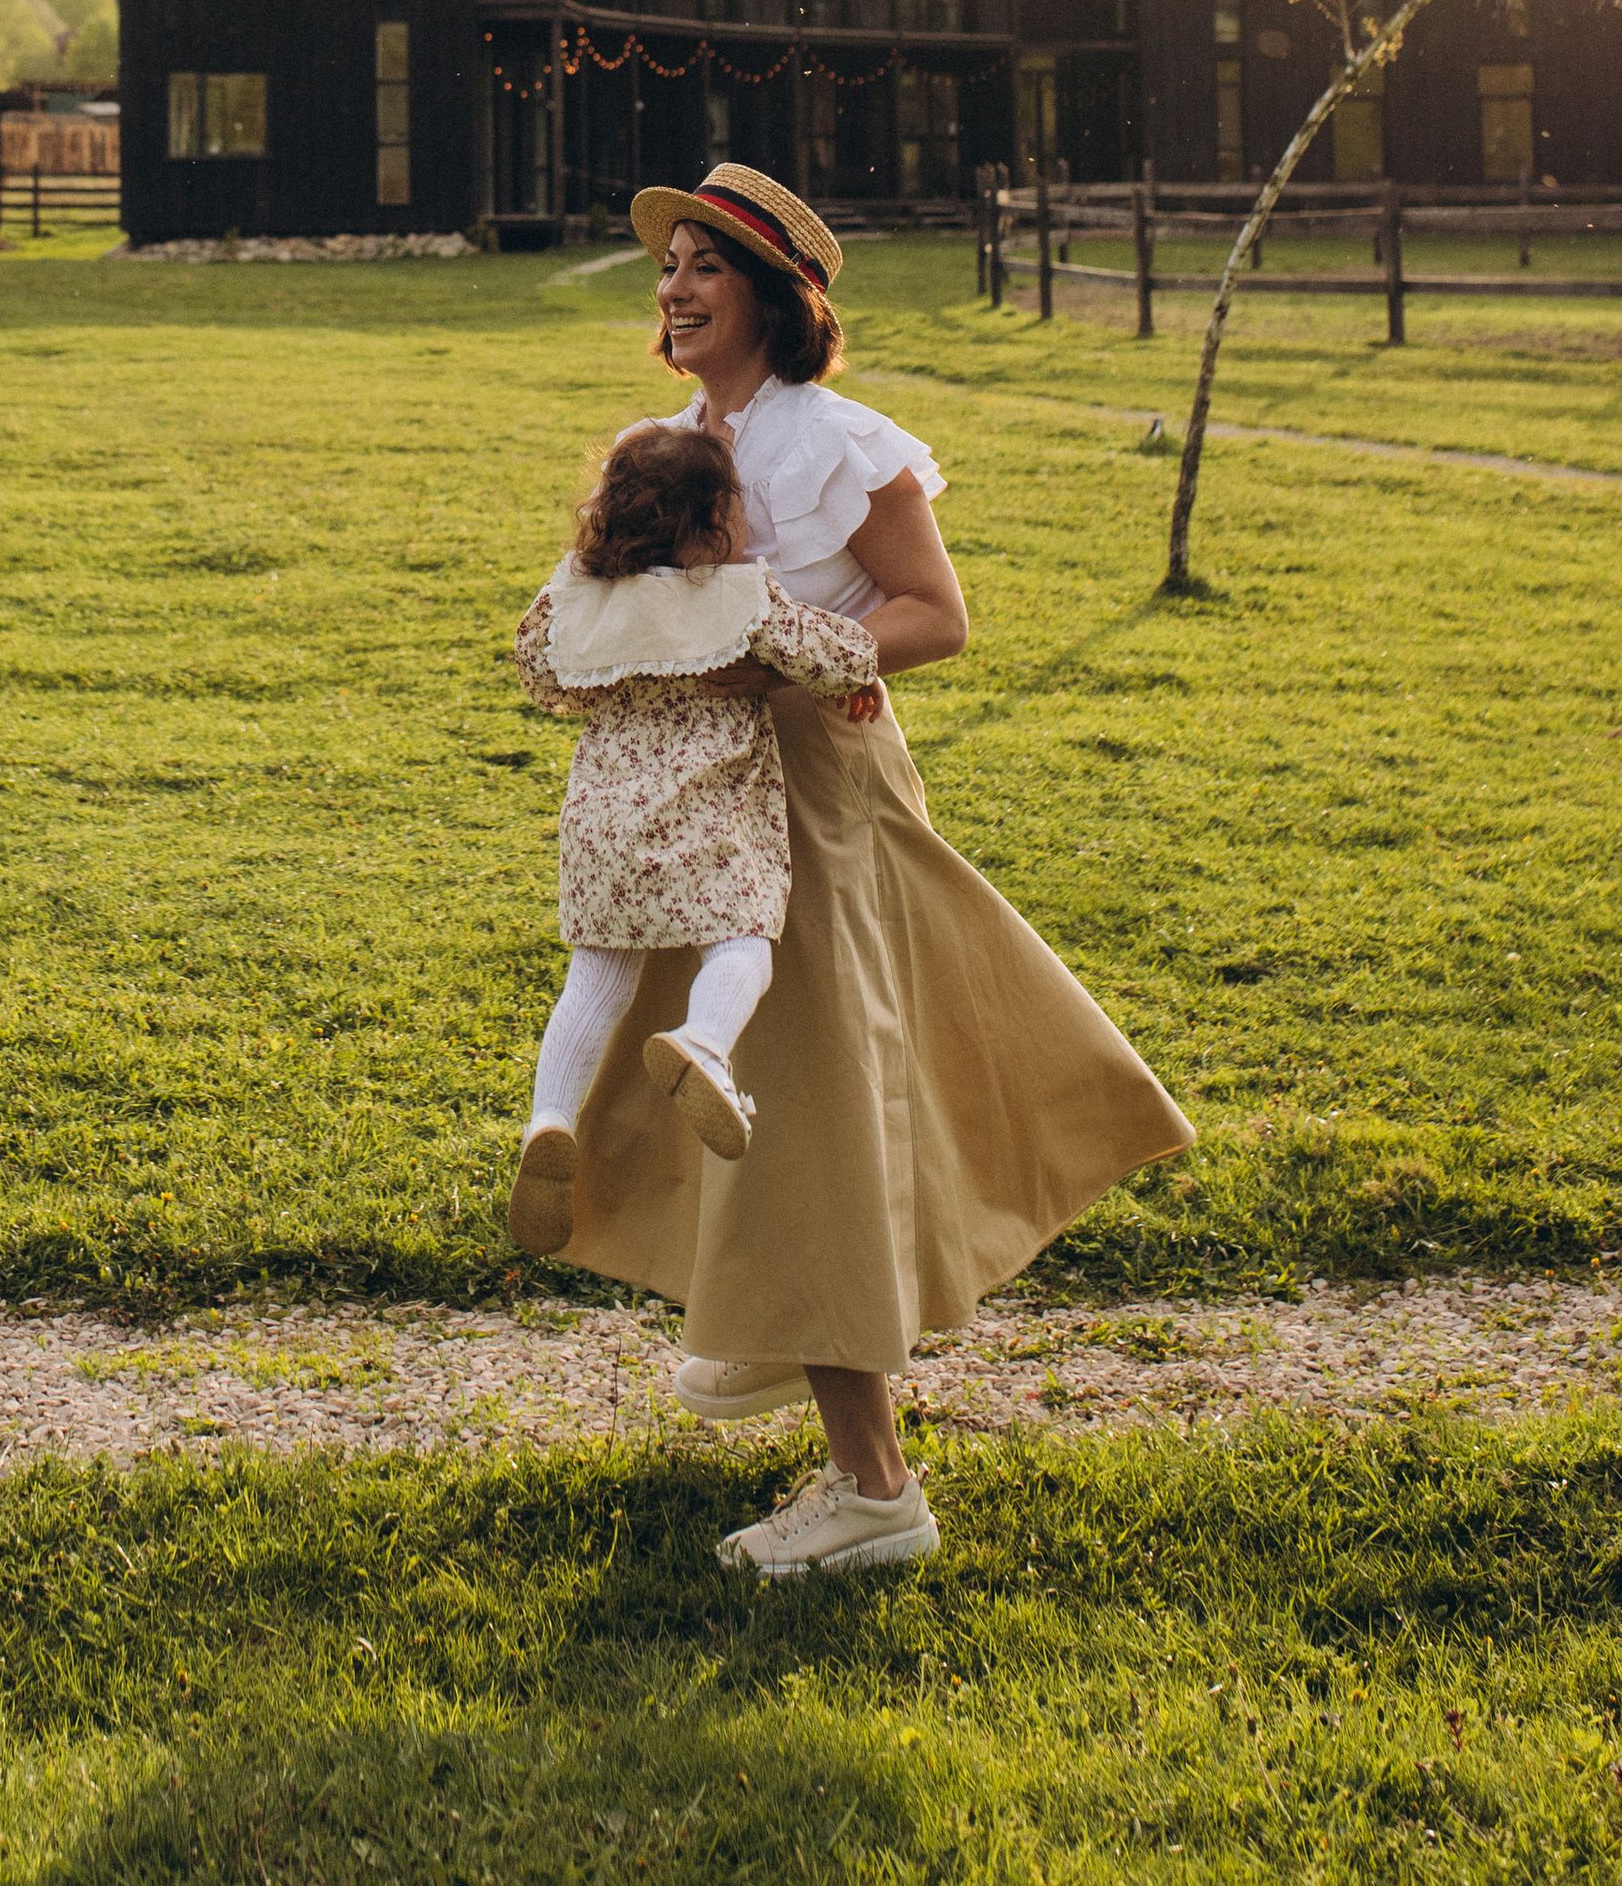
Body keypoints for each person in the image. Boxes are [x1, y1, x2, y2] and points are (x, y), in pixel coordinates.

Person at [545, 162, 1193, 1589]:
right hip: (687, 800)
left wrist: (782, 638)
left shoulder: (843, 444)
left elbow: (935, 617)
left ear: (775, 297)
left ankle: (874, 1489)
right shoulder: (666, 441)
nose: (676, 289)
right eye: (669, 268)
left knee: (815, 1121)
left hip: (817, 804)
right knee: (736, 1105)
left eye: (707, 266)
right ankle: (783, 1352)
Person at [508, 421, 883, 1255]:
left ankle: (549, 1118)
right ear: (716, 520)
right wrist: (857, 675)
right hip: (711, 820)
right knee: (742, 942)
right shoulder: (740, 593)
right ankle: (704, 1046)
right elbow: (831, 652)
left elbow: (540, 671)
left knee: (595, 979)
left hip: (602, 824)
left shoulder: (576, 590)